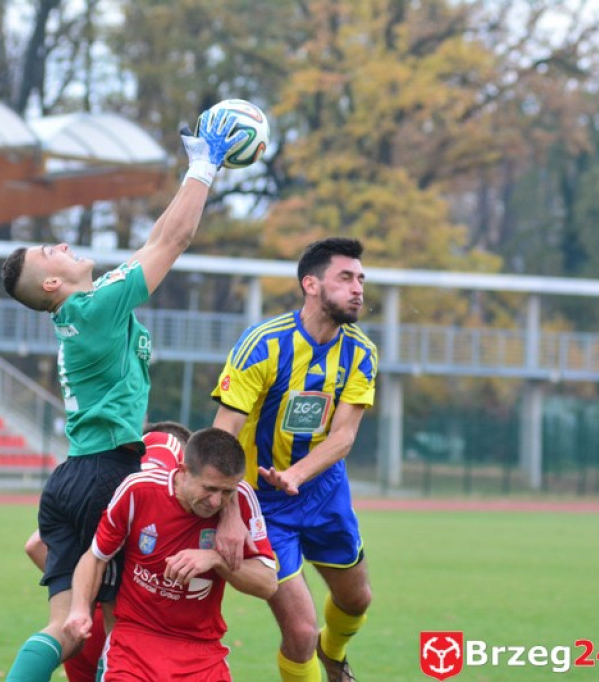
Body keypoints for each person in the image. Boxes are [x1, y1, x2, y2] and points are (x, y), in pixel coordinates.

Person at [1, 110, 249, 682]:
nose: (63, 243)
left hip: (69, 480)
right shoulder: (95, 308)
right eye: (50, 252)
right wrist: (205, 167)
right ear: (52, 285)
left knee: (65, 628)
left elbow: (153, 242)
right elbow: (174, 239)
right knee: (128, 632)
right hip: (108, 474)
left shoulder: (88, 309)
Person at [211, 237, 377, 682]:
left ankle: (334, 653)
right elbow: (222, 436)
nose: (358, 288)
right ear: (311, 284)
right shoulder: (262, 345)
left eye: (361, 278)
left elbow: (343, 436)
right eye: (346, 277)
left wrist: (297, 474)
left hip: (323, 491)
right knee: (300, 631)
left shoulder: (361, 352)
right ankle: (314, 653)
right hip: (262, 504)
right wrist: (229, 514)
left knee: (357, 600)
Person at [63, 427, 277, 681]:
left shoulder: (241, 499)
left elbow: (267, 584)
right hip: (135, 644)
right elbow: (96, 557)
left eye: (226, 491)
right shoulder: (138, 491)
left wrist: (216, 559)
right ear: (183, 470)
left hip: (202, 651)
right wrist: (78, 609)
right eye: (209, 489)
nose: (216, 502)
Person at [22, 422, 192, 682]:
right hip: (133, 629)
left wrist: (87, 588)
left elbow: (35, 545)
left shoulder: (119, 467)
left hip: (82, 624)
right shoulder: (166, 462)